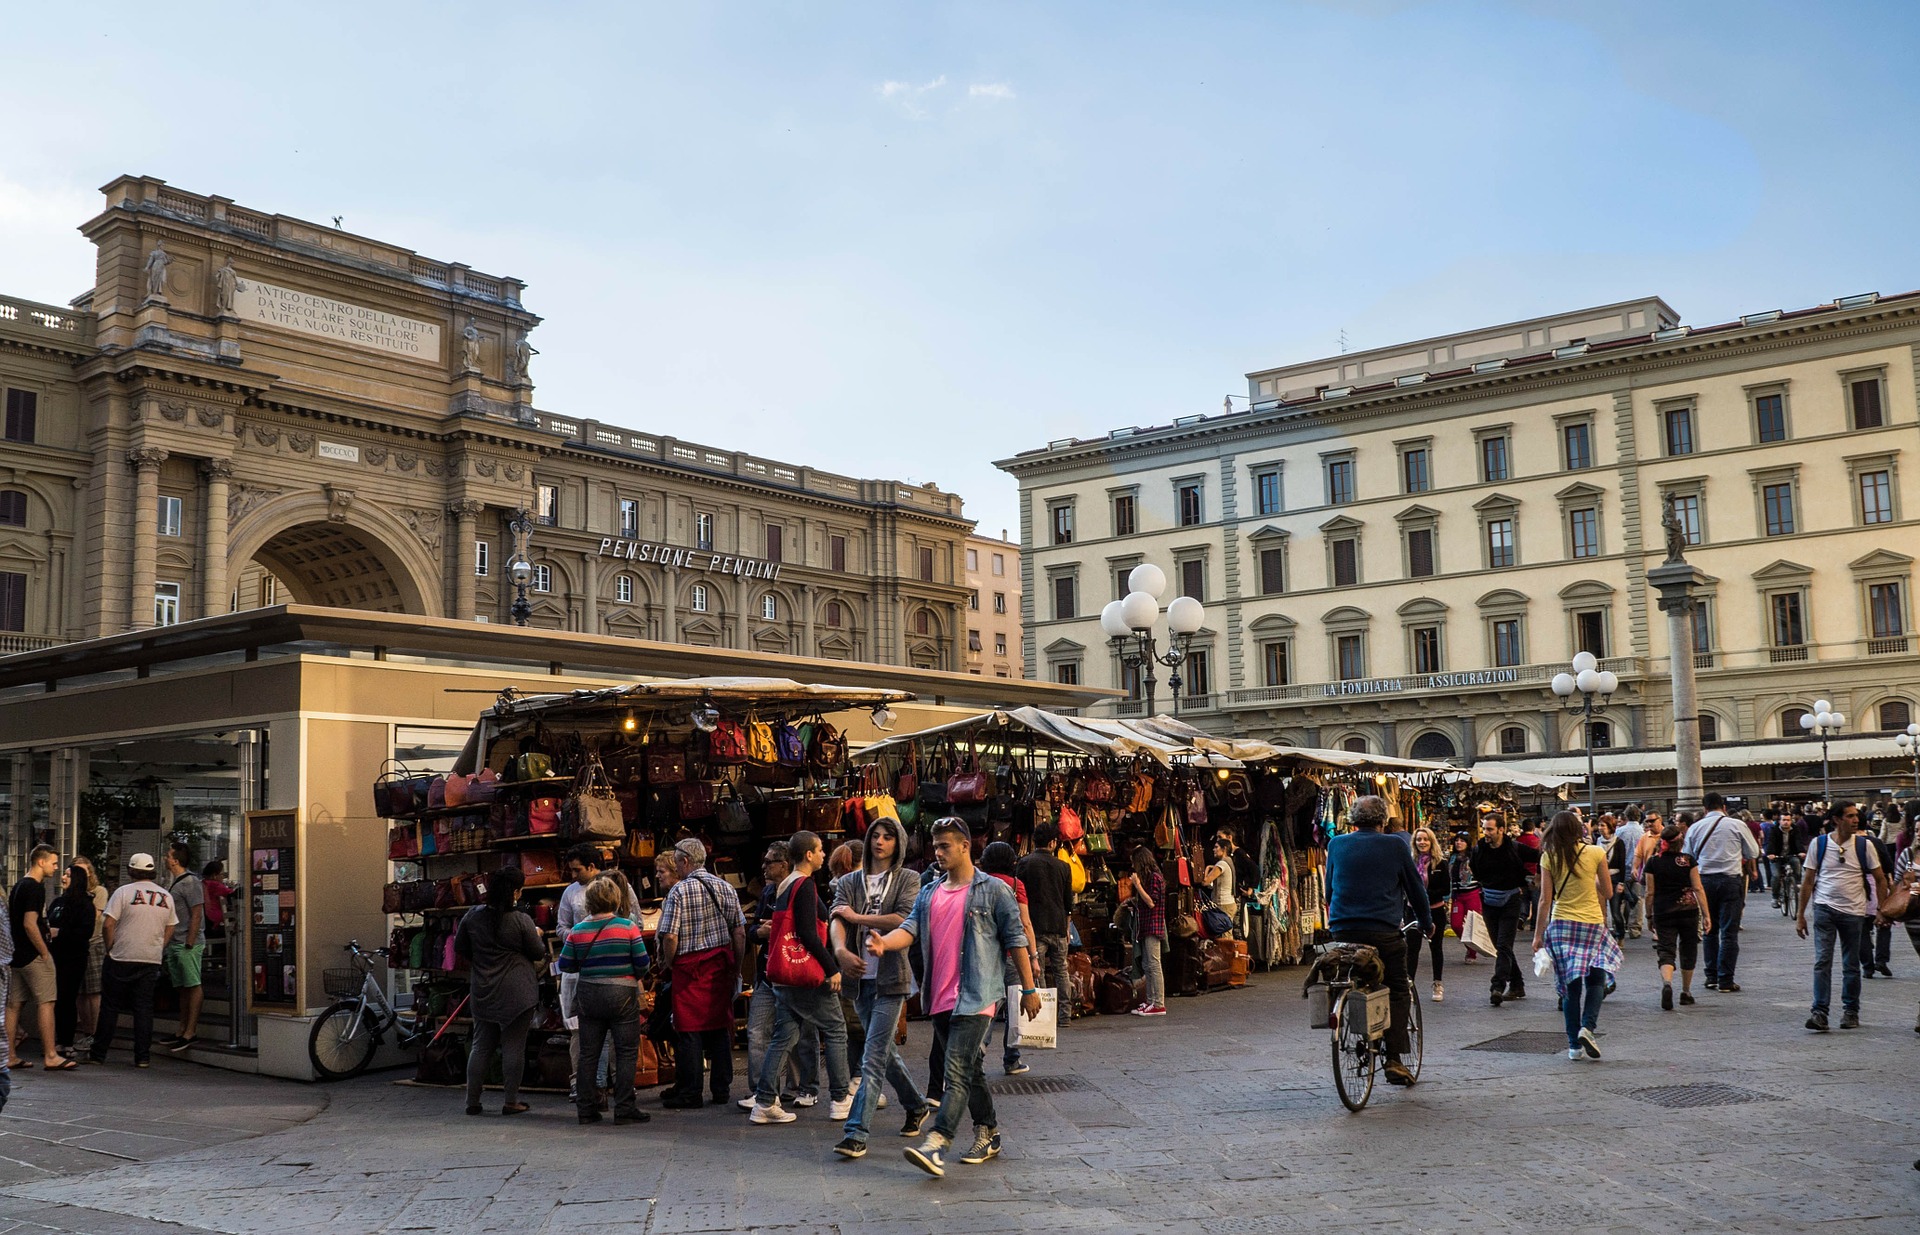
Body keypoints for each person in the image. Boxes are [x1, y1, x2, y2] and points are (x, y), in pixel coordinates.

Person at [867, 818, 1041, 1179]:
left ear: (965, 846)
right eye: (935, 846)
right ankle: (988, 1131)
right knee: (970, 1069)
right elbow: (910, 929)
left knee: (956, 1071)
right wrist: (884, 943)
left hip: (978, 996)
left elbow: (1016, 940)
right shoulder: (930, 891)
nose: (938, 853)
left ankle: (937, 1143)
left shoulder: (993, 890)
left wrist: (1028, 989)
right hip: (940, 997)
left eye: (945, 846)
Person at [827, 817, 930, 1159]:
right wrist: (841, 952)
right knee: (884, 1052)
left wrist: (859, 918)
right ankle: (916, 1105)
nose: (880, 841)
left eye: (888, 836)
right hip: (859, 980)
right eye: (876, 835)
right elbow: (836, 918)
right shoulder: (850, 880)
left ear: (898, 843)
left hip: (892, 978)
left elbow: (905, 918)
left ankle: (856, 1133)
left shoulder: (909, 878)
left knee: (871, 1056)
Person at [748, 831, 853, 1127]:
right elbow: (807, 932)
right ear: (808, 854)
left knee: (784, 1035)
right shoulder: (804, 885)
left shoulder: (784, 885)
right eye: (820, 850)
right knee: (835, 1029)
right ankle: (840, 1098)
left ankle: (765, 1101)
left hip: (784, 976)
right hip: (805, 975)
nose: (823, 855)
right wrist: (831, 968)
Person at [1326, 795, 1430, 1086]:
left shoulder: (1336, 844)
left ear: (1352, 820)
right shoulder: (1395, 844)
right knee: (1398, 987)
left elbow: (1327, 892)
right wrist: (1427, 923)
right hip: (1383, 932)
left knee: (1352, 976)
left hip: (1343, 931)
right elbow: (1416, 890)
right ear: (1384, 820)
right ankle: (1394, 1059)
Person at [654, 838, 745, 1110]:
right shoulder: (726, 887)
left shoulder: (679, 892)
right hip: (719, 965)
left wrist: (670, 963)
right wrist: (736, 968)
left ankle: (691, 1091)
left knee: (688, 1029)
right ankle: (720, 1089)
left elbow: (669, 935)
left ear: (684, 862)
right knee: (719, 1026)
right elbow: (739, 932)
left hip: (689, 968)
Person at [557, 875, 650, 1126]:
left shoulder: (576, 931)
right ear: (616, 899)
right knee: (626, 1052)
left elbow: (565, 964)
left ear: (589, 902)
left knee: (589, 1053)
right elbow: (643, 963)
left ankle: (586, 1110)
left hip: (589, 995)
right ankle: (624, 1107)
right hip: (623, 994)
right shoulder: (628, 927)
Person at [454, 865, 544, 1116]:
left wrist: (482, 961)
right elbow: (537, 952)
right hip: (518, 992)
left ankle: (472, 1101)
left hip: (483, 989)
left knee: (481, 1045)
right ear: (516, 892)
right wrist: (536, 934)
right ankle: (511, 1101)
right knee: (514, 1046)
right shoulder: (521, 920)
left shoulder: (473, 916)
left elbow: (460, 947)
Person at [1531, 810, 1621, 1061]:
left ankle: (1573, 1046)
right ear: (1579, 829)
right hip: (1591, 923)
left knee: (1570, 988)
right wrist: (1590, 879)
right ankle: (1587, 1027)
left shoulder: (1549, 856)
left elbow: (1544, 900)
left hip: (1561, 925)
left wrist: (1538, 936)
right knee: (1596, 979)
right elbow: (1609, 891)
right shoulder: (1595, 853)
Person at [1796, 802, 1890, 1032]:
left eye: (1856, 815)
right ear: (1837, 819)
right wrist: (1800, 916)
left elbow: (1880, 879)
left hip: (1854, 912)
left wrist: (1881, 910)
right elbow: (1808, 881)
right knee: (1822, 961)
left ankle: (1851, 1011)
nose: (1855, 820)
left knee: (1851, 965)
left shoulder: (1863, 845)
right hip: (1824, 908)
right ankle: (1819, 1012)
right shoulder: (1819, 844)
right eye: (1849, 816)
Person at [740, 842, 818, 1112]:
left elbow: (817, 927)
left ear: (785, 865)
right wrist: (760, 933)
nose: (763, 867)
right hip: (768, 971)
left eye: (769, 862)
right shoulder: (768, 893)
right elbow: (752, 930)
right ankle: (762, 1090)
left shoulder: (803, 889)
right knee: (758, 1030)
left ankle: (802, 1087)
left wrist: (774, 930)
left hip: (797, 971)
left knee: (799, 1034)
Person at [86, 853, 174, 1069]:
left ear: (131, 870)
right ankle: (142, 1057)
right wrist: (159, 946)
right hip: (150, 958)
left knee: (110, 1006)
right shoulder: (165, 896)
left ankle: (98, 1054)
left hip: (121, 956)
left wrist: (110, 947)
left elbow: (108, 924)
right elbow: (171, 926)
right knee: (143, 1008)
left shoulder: (123, 892)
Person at [1685, 792, 1761, 993]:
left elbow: (1688, 856)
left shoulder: (1695, 828)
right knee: (1729, 931)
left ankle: (1711, 976)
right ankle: (1726, 979)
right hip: (1730, 881)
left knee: (1709, 929)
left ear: (1704, 809)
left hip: (1705, 881)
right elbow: (1753, 852)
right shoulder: (1737, 825)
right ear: (1724, 807)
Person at [978, 841, 1040, 1075]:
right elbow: (1025, 923)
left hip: (987, 954)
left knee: (988, 1006)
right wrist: (1033, 957)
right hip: (1014, 955)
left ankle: (979, 1054)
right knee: (1015, 1005)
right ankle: (1011, 1059)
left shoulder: (979, 882)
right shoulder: (1015, 885)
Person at [8, 845, 71, 1070]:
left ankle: (9, 1054)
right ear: (41, 862)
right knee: (47, 1002)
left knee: (14, 1005)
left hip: (16, 955)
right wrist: (44, 952)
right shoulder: (34, 888)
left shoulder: (18, 886)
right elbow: (29, 923)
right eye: (54, 863)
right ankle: (51, 1055)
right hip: (33, 954)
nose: (56, 868)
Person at [559, 844, 608, 1105]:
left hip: (608, 966)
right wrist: (577, 937)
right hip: (581, 968)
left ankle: (609, 1084)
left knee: (611, 1031)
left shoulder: (614, 884)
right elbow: (561, 926)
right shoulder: (570, 893)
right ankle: (582, 1083)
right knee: (579, 1031)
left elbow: (634, 919)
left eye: (577, 870)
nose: (573, 875)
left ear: (592, 866)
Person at [1641, 824, 1709, 1010]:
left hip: (1663, 911)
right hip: (1688, 910)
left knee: (1666, 949)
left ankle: (1667, 983)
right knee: (1688, 949)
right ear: (1681, 842)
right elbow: (1698, 888)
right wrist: (1706, 914)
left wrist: (1649, 915)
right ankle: (1686, 992)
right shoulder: (1688, 860)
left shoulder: (1653, 862)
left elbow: (1649, 892)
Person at [1016, 822, 1073, 1028]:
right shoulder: (1063, 867)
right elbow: (1068, 903)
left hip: (1035, 926)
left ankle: (1041, 1016)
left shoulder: (1024, 864)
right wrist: (1066, 927)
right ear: (1053, 842)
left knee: (1036, 970)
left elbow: (1020, 896)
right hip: (1058, 925)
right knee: (1061, 971)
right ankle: (1064, 1015)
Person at [1470, 814, 1529, 1005]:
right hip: (1489, 901)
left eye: (1490, 829)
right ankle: (1517, 984)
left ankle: (1497, 986)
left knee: (1504, 945)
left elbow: (1540, 857)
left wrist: (1534, 878)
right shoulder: (1479, 849)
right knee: (1500, 946)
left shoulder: (1514, 848)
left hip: (1511, 900)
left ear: (1501, 830)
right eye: (1484, 829)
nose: (1486, 833)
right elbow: (1475, 871)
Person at [47, 863, 96, 1058]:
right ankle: (55, 1039)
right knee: (56, 999)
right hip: (54, 956)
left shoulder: (85, 905)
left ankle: (66, 1041)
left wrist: (61, 932)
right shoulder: (58, 902)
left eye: (68, 874)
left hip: (73, 958)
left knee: (67, 998)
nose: (63, 877)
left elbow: (85, 932)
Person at [160, 843, 206, 1053]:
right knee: (182, 987)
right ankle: (181, 1028)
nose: (165, 858)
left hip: (187, 943)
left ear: (176, 860)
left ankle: (190, 1031)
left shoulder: (190, 882)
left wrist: (190, 940)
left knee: (192, 984)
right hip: (176, 942)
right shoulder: (176, 882)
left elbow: (196, 912)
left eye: (168, 855)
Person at [68, 857, 106, 1057]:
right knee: (80, 993)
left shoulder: (98, 892)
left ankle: (96, 1032)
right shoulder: (70, 894)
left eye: (85, 871)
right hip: (76, 945)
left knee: (93, 991)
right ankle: (86, 1031)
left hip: (93, 944)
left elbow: (95, 916)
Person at [1407, 827, 1448, 1002]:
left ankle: (1437, 984)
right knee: (1412, 949)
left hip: (1435, 909)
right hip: (1412, 910)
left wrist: (1423, 895)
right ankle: (1409, 985)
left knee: (1436, 948)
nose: (1422, 842)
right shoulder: (1409, 863)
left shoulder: (1440, 863)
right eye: (1418, 839)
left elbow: (1445, 889)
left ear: (1432, 842)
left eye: (1425, 839)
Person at [1127, 845, 1168, 1016]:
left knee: (1153, 964)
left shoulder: (1155, 878)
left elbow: (1152, 902)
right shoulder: (1150, 878)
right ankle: (1151, 1000)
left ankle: (1158, 1002)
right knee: (1147, 964)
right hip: (1146, 926)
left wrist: (1137, 885)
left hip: (1153, 926)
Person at [1447, 832, 1482, 961]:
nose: (1459, 843)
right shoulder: (1452, 859)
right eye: (1457, 840)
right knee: (1456, 924)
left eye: (1462, 840)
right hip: (1457, 895)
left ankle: (1472, 952)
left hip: (1472, 894)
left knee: (1472, 925)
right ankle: (1470, 947)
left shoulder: (1473, 857)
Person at [1203, 834, 1239, 939]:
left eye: (1216, 847)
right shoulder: (1228, 861)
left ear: (1224, 849)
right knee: (1225, 935)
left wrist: (1206, 869)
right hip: (1228, 903)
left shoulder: (1221, 864)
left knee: (1224, 937)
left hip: (1223, 904)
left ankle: (1228, 955)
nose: (1214, 850)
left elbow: (1205, 882)